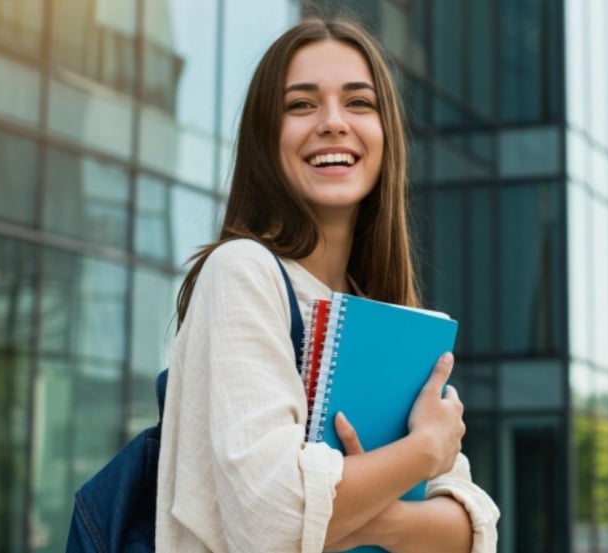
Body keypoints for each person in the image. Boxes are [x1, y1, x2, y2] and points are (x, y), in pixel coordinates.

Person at [155, 15, 500, 553]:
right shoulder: (242, 271)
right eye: (301, 105)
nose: (334, 122)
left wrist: (372, 517)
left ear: (386, 136)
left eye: (359, 103)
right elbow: (271, 518)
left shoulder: (386, 318)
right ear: (266, 138)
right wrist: (423, 450)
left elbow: (474, 530)